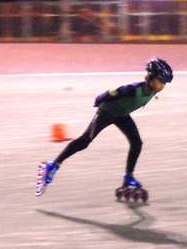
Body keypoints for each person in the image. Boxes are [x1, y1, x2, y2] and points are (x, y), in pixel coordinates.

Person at [35, 57, 174, 197]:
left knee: (137, 143)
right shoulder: (134, 89)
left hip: (121, 114)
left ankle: (128, 177)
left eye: (164, 83)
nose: (162, 86)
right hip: (106, 112)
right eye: (161, 81)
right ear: (151, 77)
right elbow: (115, 91)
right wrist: (100, 99)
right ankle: (52, 165)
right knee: (85, 141)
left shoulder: (152, 91)